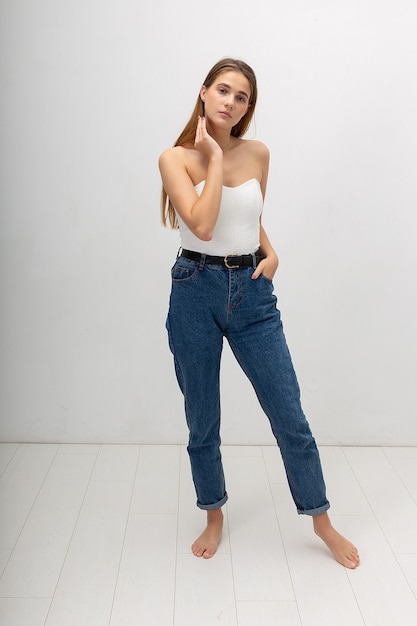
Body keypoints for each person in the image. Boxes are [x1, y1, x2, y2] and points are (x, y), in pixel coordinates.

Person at [158, 58, 360, 569]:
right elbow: (203, 227)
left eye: (241, 96)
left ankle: (321, 520)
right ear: (203, 93)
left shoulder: (259, 153)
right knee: (202, 416)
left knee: (289, 412)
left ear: (248, 107)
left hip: (252, 293)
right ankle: (214, 514)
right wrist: (214, 158)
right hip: (194, 290)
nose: (230, 101)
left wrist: (270, 251)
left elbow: (249, 215)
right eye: (222, 90)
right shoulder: (175, 158)